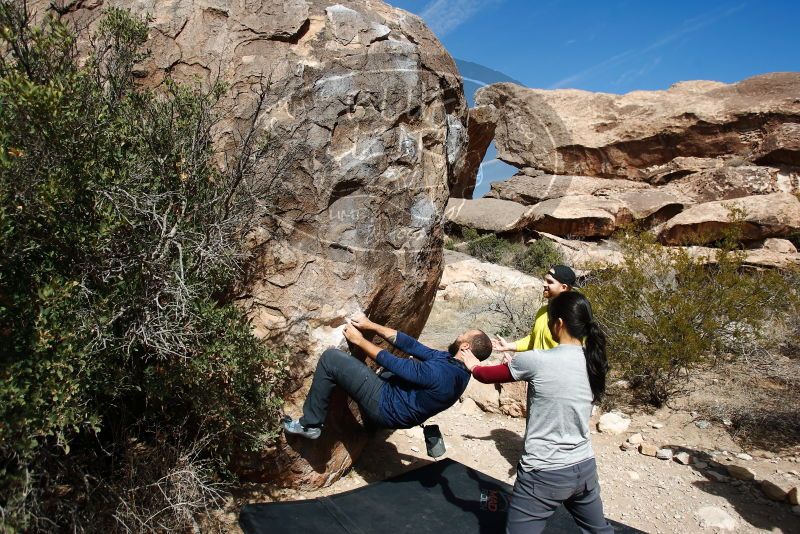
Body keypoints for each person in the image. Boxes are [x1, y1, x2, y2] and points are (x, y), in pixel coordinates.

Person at [461, 292, 613, 534]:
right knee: (599, 530)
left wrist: (471, 362)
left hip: (544, 473)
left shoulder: (537, 359)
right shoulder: (593, 360)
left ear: (559, 324)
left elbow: (484, 375)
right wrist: (516, 365)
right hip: (583, 468)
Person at [282, 314, 493, 439]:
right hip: (401, 407)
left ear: (465, 346)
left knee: (331, 358)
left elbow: (394, 363)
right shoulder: (455, 364)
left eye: (464, 334)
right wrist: (371, 325)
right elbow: (413, 345)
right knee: (409, 360)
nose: (460, 334)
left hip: (386, 406)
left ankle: (310, 425)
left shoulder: (443, 373)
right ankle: (370, 428)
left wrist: (359, 340)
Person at [492, 264, 576, 353]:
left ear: (563, 287)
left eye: (550, 282)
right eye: (545, 280)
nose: (544, 284)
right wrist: (508, 346)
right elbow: (533, 340)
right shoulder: (542, 311)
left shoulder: (572, 316)